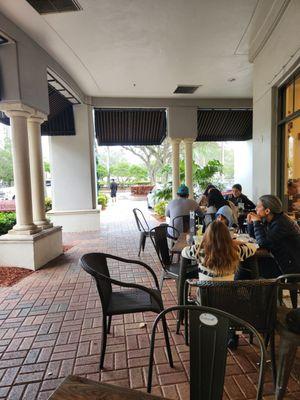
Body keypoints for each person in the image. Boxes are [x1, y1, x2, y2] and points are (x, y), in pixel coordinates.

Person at [182, 220, 257, 349]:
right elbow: (253, 248)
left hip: (205, 298)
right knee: (236, 299)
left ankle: (208, 330)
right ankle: (232, 335)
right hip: (227, 298)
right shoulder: (236, 251)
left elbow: (184, 251)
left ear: (207, 236)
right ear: (228, 237)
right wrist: (236, 242)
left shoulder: (199, 251)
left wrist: (199, 243)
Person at [247, 194, 300, 277]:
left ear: (267, 211)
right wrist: (251, 223)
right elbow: (255, 237)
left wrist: (257, 222)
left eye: (258, 206)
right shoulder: (272, 219)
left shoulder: (281, 223)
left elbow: (262, 243)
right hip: (281, 259)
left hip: (291, 266)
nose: (255, 209)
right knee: (249, 263)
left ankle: (261, 288)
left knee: (250, 265)